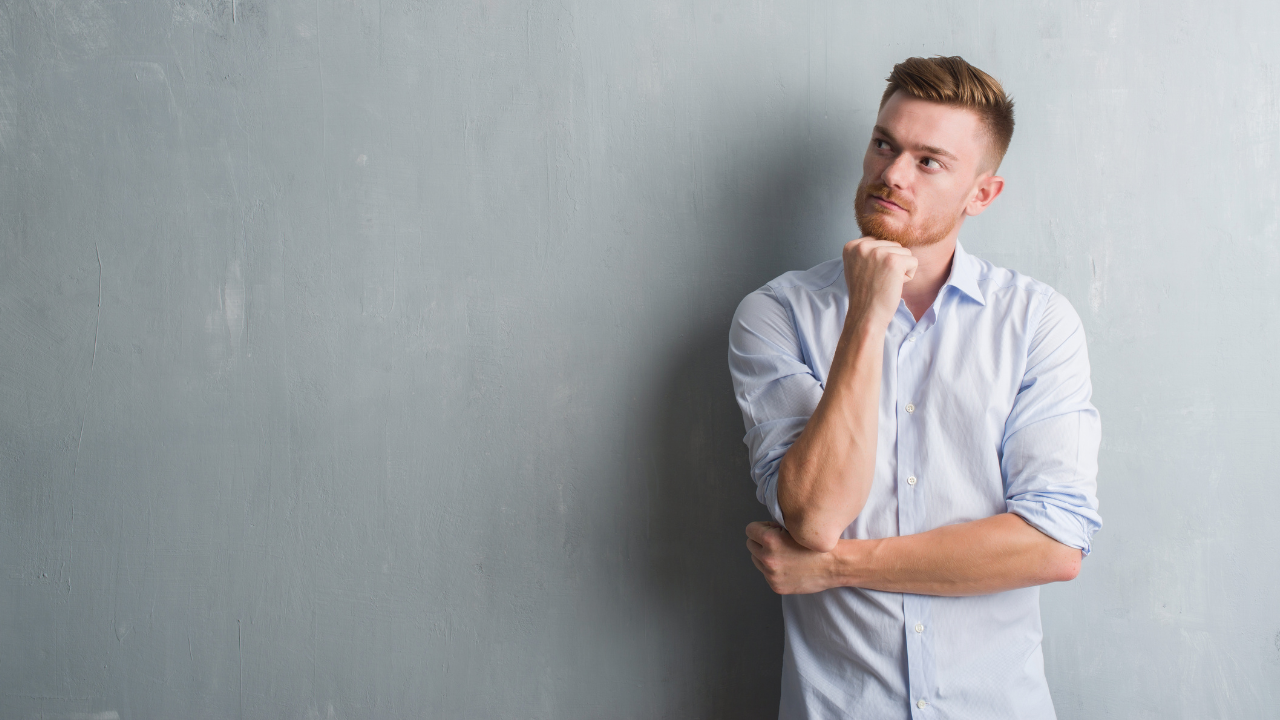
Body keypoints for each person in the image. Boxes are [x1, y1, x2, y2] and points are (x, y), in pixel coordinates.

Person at [727, 56, 1102, 719]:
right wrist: (868, 317)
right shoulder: (776, 314)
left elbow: (1053, 544)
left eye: (929, 161)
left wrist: (836, 568)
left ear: (981, 195)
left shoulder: (1036, 322)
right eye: (884, 145)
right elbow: (814, 517)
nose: (892, 174)